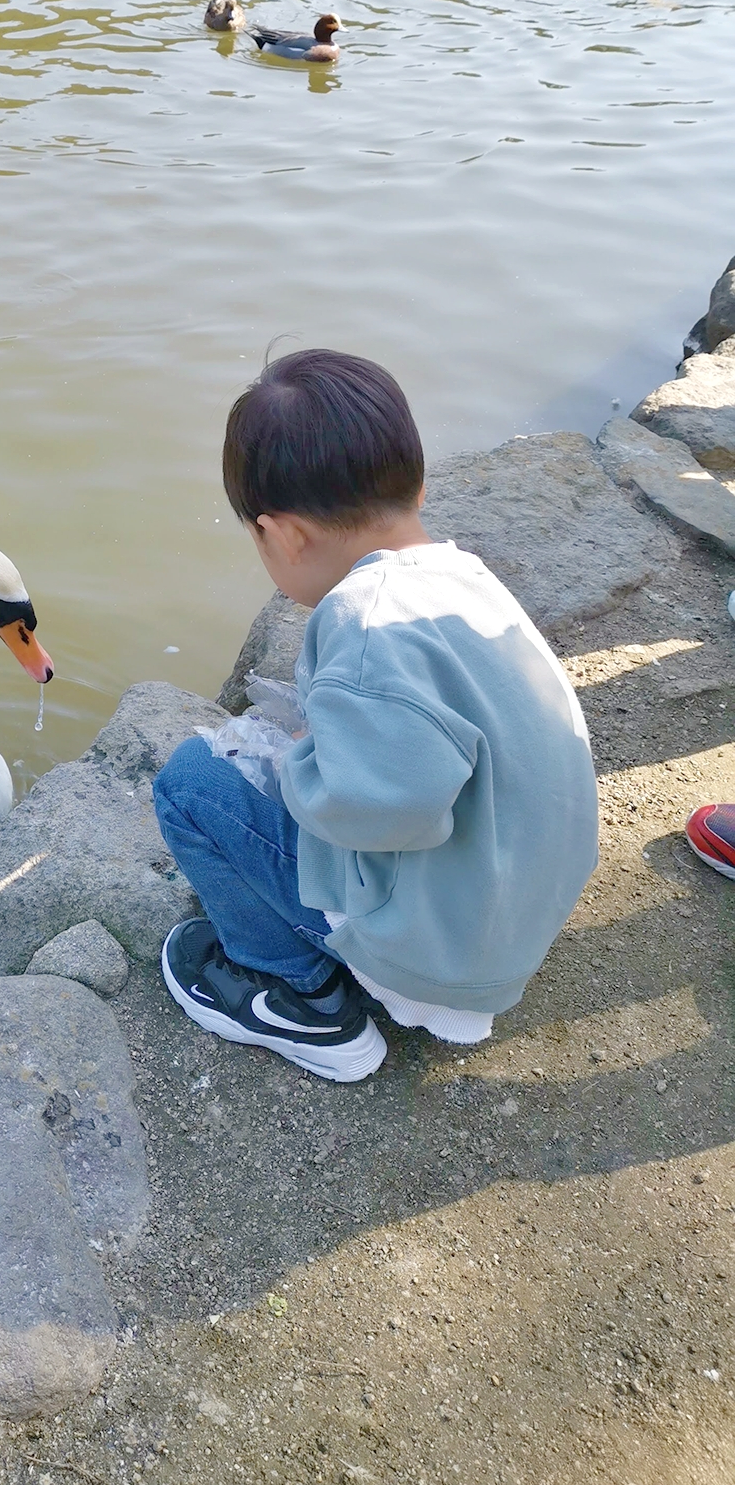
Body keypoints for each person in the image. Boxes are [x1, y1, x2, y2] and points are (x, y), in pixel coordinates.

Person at [153, 349, 598, 1082]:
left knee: (194, 783)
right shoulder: (464, 578)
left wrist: (302, 755)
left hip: (440, 956)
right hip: (510, 911)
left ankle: (303, 999)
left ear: (284, 534)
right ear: (416, 483)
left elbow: (379, 810)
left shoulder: (363, 626)